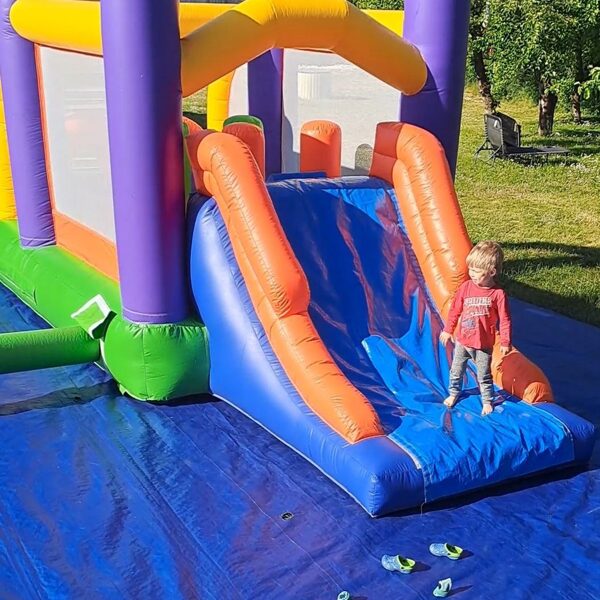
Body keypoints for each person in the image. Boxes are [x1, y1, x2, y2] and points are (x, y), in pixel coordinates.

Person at [439, 241, 512, 415]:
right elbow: (455, 310)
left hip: (483, 344)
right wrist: (448, 329)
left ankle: (487, 401)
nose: (471, 274)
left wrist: (505, 341)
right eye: (470, 269)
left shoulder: (497, 294)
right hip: (463, 341)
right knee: (456, 370)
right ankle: (454, 393)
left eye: (476, 271)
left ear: (492, 272)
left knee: (484, 374)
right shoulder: (466, 288)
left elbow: (505, 319)